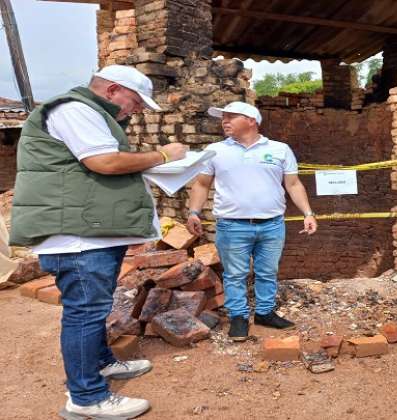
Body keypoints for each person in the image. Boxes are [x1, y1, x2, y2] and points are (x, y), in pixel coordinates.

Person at [10, 64, 188, 419]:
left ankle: (102, 364)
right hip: (76, 237)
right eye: (135, 102)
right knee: (85, 313)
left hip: (87, 233)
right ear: (111, 91)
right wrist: (164, 155)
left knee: (95, 308)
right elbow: (104, 161)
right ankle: (86, 398)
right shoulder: (74, 110)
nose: (136, 110)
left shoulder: (90, 113)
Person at [186, 101, 317, 342]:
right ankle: (238, 318)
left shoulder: (280, 149)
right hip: (232, 224)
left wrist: (308, 213)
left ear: (251, 121)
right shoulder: (215, 150)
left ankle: (265, 312)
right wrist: (194, 212)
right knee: (235, 274)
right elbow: (202, 184)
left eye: (231, 117)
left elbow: (293, 184)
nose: (225, 121)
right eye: (223, 117)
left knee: (268, 271)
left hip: (272, 224)